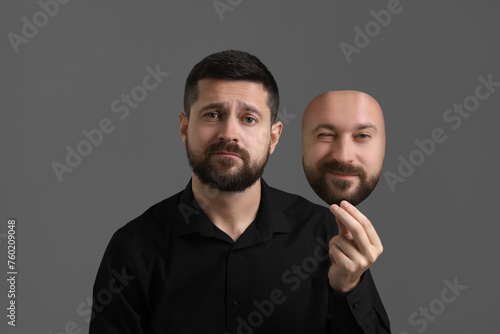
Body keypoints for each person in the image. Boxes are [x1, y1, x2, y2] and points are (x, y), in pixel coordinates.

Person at [89, 51, 391, 333]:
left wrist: (349, 288)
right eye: (212, 115)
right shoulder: (133, 248)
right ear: (184, 128)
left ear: (273, 137)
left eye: (248, 118)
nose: (229, 133)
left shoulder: (325, 235)